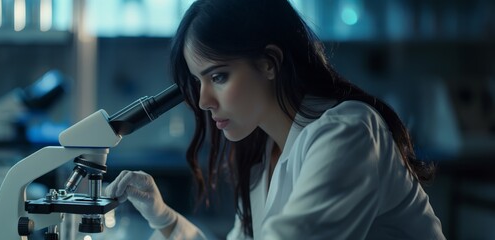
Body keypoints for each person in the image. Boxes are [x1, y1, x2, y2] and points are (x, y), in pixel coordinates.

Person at [104, 0, 446, 239]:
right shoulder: (263, 154)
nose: (204, 100)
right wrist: (162, 216)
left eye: (219, 77)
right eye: (198, 82)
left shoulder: (348, 132)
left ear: (269, 63)